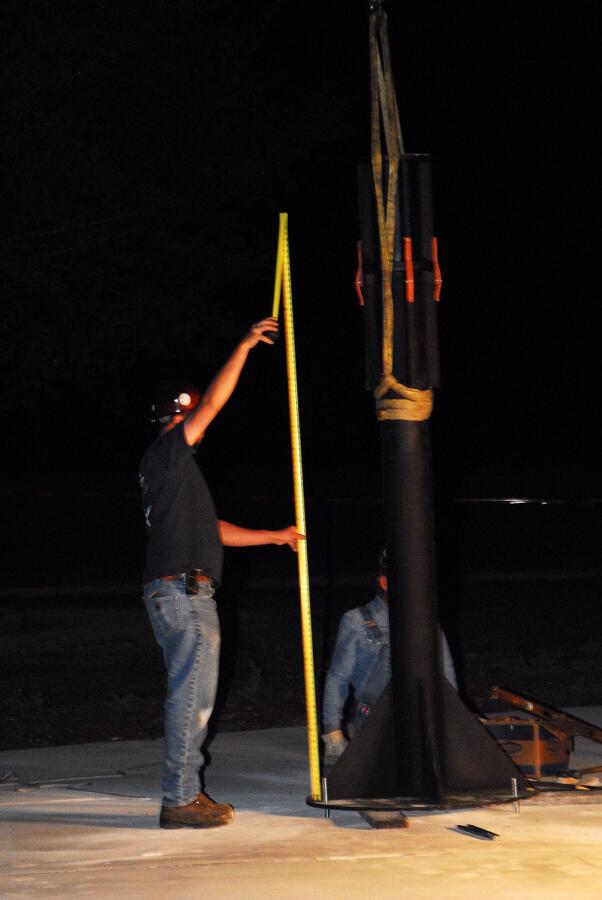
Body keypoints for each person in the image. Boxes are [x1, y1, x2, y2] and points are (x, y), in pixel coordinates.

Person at [139, 317, 302, 829]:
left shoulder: (170, 472)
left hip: (175, 590)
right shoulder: (168, 451)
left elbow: (215, 530)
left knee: (193, 697)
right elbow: (213, 403)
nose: (202, 430)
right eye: (192, 419)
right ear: (177, 418)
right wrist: (244, 347)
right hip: (184, 592)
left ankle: (185, 792)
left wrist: (276, 535)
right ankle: (179, 798)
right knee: (192, 699)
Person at [321, 549, 458, 769]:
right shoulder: (356, 621)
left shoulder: (427, 623)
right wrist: (333, 732)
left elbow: (447, 674)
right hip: (374, 718)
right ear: (384, 582)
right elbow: (338, 679)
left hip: (419, 716)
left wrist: (454, 721)